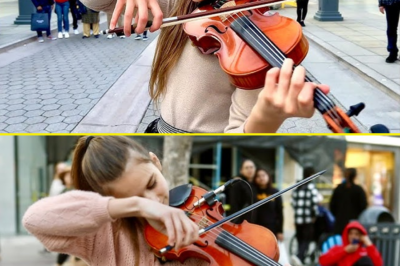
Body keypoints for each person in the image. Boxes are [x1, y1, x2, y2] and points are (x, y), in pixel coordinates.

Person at [80, 0, 330, 134]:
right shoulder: (182, 4)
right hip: (158, 131)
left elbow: (238, 134)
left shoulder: (255, 48)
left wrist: (267, 118)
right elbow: (96, 3)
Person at [22, 136, 205, 266]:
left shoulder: (199, 212)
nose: (153, 200)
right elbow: (34, 219)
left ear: (155, 162)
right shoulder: (103, 234)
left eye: (151, 184)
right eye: (133, 197)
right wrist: (138, 206)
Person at [319, 221, 383, 266]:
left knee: (366, 260)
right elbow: (323, 261)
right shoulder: (338, 249)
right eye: (351, 233)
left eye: (356, 234)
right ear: (347, 235)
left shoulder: (365, 251)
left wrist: (368, 243)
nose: (353, 236)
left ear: (361, 236)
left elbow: (379, 264)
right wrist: (345, 251)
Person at [290, 167, 319, 266]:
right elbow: (314, 203)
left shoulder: (298, 185)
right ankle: (299, 257)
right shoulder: (311, 186)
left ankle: (299, 257)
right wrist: (314, 215)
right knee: (306, 239)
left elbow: (292, 202)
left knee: (300, 238)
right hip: (307, 218)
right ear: (310, 175)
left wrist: (298, 211)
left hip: (297, 218)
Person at [330, 168, 368, 235]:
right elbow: (363, 206)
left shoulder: (338, 189)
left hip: (340, 222)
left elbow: (332, 206)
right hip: (353, 223)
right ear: (355, 176)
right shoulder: (358, 190)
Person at [252, 168, 284, 241]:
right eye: (258, 176)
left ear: (268, 176)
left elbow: (280, 213)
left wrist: (280, 231)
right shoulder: (253, 192)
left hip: (272, 229)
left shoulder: (275, 192)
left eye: (263, 175)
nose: (261, 178)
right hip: (256, 228)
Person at [226, 159, 257, 224]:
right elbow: (234, 204)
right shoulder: (238, 183)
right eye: (246, 168)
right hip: (241, 222)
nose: (249, 170)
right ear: (241, 170)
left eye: (251, 167)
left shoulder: (255, 183)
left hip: (252, 222)